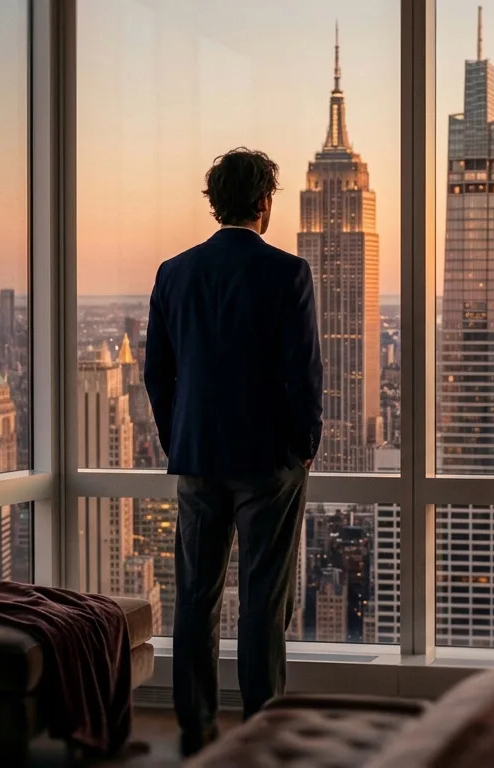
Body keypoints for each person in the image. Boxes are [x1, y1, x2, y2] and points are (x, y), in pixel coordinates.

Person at [143, 148, 322, 756]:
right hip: (268, 459)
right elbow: (303, 373)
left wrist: (179, 438)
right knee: (262, 601)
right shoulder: (288, 273)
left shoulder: (174, 273)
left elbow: (156, 373)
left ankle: (195, 728)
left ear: (214, 202)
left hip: (197, 457)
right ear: (266, 203)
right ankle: (260, 730)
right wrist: (304, 446)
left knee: (196, 596)